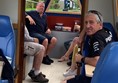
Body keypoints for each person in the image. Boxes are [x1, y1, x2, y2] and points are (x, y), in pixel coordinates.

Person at [61, 10, 114, 83]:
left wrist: (81, 59)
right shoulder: (107, 31)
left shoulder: (97, 38)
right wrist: (81, 36)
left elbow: (97, 61)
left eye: (91, 22)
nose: (87, 26)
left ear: (100, 25)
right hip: (110, 71)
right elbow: (87, 28)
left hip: (100, 77)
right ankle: (72, 68)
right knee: (68, 78)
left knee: (64, 81)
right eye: (86, 22)